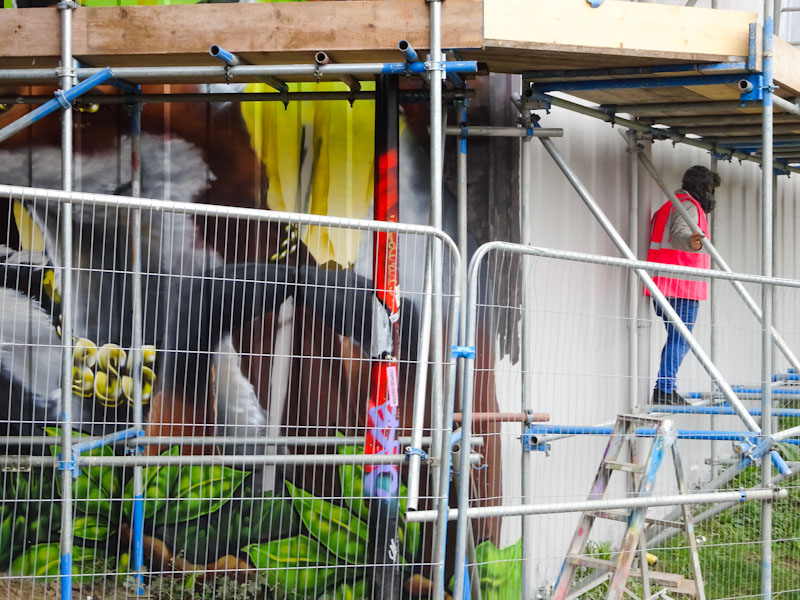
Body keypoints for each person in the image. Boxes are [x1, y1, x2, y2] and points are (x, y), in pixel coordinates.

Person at [647, 165, 720, 405]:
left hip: (662, 283)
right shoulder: (687, 205)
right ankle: (665, 390)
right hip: (681, 286)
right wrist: (693, 242)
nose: (712, 196)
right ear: (701, 187)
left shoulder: (667, 205)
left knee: (676, 338)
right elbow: (679, 234)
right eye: (710, 189)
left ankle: (665, 388)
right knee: (681, 339)